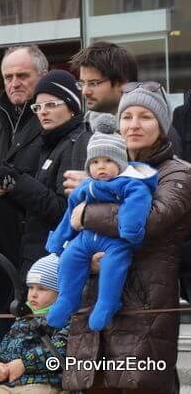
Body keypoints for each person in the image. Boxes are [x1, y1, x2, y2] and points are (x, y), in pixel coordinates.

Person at [62, 82, 191, 393]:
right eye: (127, 116)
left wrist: (86, 212)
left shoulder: (177, 172)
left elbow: (148, 221)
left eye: (145, 117)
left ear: (162, 125)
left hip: (143, 307)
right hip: (93, 301)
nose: (134, 125)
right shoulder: (102, 169)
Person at [46, 129, 157, 331]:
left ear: (120, 162)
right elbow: (71, 213)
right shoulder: (86, 185)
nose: (101, 166)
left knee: (114, 264)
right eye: (95, 162)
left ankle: (108, 302)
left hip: (115, 240)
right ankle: (67, 299)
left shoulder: (130, 183)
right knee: (69, 258)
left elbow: (137, 202)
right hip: (86, 238)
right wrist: (59, 240)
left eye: (108, 160)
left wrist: (130, 228)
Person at [0, 70, 90, 276]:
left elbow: (63, 211)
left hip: (55, 260)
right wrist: (10, 190)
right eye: (38, 107)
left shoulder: (76, 143)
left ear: (72, 107)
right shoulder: (52, 142)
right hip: (39, 255)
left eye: (51, 105)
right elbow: (37, 210)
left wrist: (19, 183)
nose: (43, 112)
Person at [0, 45, 48, 345]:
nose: (14, 83)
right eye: (8, 77)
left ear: (42, 76)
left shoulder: (52, 121)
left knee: (35, 350)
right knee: (0, 350)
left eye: (23, 75)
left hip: (36, 257)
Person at [0, 254, 69, 394]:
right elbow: (3, 347)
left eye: (42, 289)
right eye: (31, 287)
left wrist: (24, 364)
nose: (33, 294)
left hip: (44, 383)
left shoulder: (64, 319)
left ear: (61, 292)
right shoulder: (23, 318)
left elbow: (62, 350)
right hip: (11, 383)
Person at [69, 41, 182, 158]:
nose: (85, 91)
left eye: (94, 83)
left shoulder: (155, 132)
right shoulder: (82, 132)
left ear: (122, 83)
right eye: (82, 83)